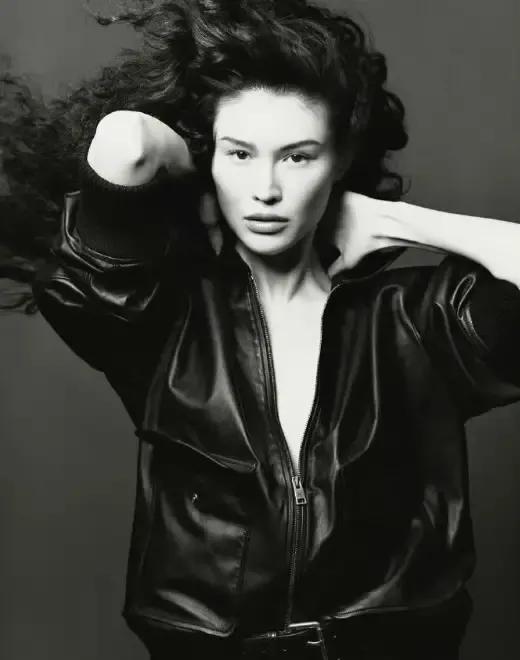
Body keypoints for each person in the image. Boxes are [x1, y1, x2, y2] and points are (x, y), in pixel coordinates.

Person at [2, 1, 520, 658]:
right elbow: (126, 142)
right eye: (241, 154)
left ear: (339, 161)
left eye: (298, 157)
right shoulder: (161, 318)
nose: (266, 190)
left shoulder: (414, 319)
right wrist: (199, 177)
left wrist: (399, 221)